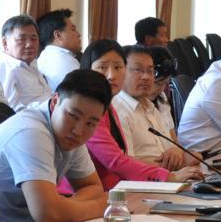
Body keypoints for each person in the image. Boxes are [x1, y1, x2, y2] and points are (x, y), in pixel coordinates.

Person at [0, 69, 110, 222]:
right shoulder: (31, 132)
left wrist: (62, 207)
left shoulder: (69, 134)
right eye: (73, 115)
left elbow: (93, 187)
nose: (79, 131)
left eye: (90, 123)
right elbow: (47, 213)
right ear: (55, 102)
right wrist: (100, 207)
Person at [82, 40, 202, 189]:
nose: (111, 75)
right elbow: (118, 162)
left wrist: (178, 155)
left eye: (118, 67)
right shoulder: (96, 109)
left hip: (124, 188)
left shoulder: (115, 107)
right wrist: (171, 175)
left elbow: (177, 150)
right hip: (116, 189)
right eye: (102, 67)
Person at [111, 44, 191, 171]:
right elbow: (126, 164)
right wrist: (174, 165)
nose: (146, 77)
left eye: (150, 71)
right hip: (144, 180)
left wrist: (176, 152)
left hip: (167, 176)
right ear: (121, 71)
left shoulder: (150, 106)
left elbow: (173, 148)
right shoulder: (117, 110)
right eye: (138, 70)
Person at [0, 15, 50, 110]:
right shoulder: (5, 68)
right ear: (5, 43)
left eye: (33, 39)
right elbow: (11, 110)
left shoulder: (33, 63)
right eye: (21, 39)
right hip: (34, 117)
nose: (29, 45)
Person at [36, 8, 82, 90]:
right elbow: (84, 93)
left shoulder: (49, 56)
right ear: (58, 35)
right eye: (73, 29)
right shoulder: (61, 60)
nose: (78, 34)